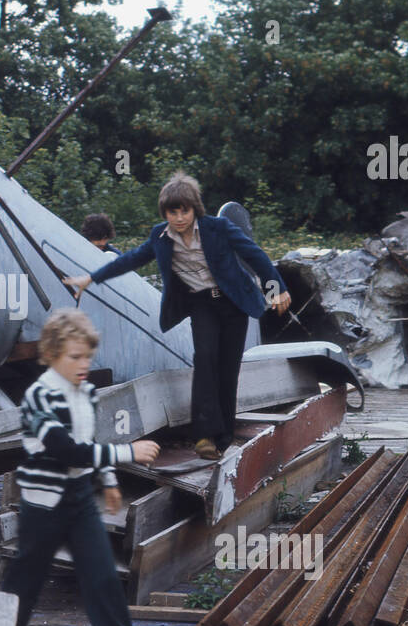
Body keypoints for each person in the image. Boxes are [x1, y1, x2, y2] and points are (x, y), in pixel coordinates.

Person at [64, 171, 292, 462]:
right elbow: (130, 259)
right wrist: (90, 279)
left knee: (228, 368)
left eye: (184, 210)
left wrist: (277, 288)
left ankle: (223, 437)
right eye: (173, 212)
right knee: (205, 358)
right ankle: (205, 435)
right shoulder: (160, 237)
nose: (180, 218)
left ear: (194, 209)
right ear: (166, 213)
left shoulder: (218, 228)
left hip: (233, 304)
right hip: (201, 305)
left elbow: (255, 254)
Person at [2, 308, 162, 626]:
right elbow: (65, 449)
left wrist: (108, 480)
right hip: (43, 504)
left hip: (78, 500)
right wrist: (129, 453)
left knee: (105, 585)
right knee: (22, 589)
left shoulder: (86, 392)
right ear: (53, 355)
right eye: (74, 357)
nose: (83, 365)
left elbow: (93, 438)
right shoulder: (39, 396)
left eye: (87, 357)